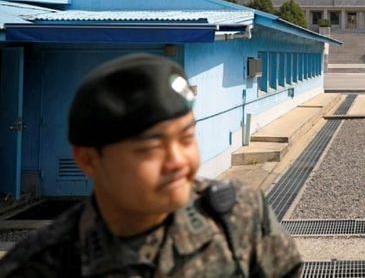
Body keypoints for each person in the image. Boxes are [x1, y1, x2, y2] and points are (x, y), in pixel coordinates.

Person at [0, 53, 302, 277]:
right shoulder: (38, 266)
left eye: (186, 138)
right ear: (89, 159)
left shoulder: (239, 217)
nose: (178, 162)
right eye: (150, 148)